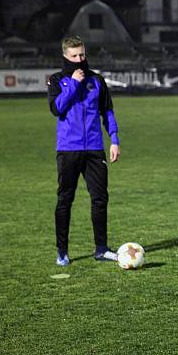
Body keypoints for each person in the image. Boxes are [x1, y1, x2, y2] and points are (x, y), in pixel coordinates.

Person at [47, 35, 120, 266]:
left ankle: (101, 248)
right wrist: (75, 84)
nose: (79, 59)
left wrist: (114, 139)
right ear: (65, 56)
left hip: (94, 149)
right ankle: (62, 251)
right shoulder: (57, 80)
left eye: (82, 55)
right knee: (65, 200)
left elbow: (107, 111)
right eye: (75, 56)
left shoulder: (97, 80)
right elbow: (56, 109)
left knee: (100, 198)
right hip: (68, 149)